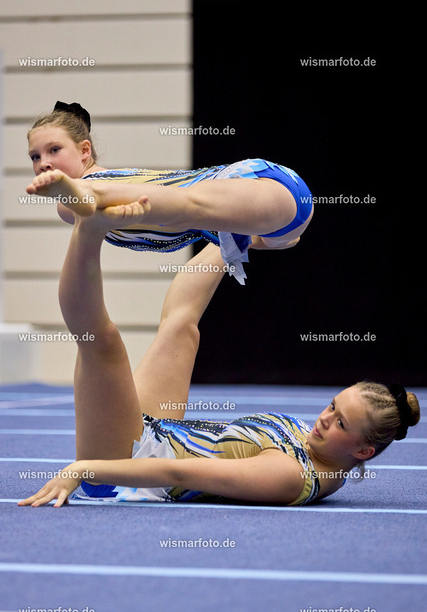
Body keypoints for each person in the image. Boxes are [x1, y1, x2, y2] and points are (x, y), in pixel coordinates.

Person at [18, 210, 420, 508]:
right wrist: (251, 231)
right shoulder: (322, 447)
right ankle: (238, 234)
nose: (325, 418)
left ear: (363, 452)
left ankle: (88, 227)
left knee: (102, 344)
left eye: (341, 422)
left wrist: (82, 469)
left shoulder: (290, 475)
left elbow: (178, 472)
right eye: (333, 406)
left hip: (126, 471)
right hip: (156, 436)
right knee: (182, 328)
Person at [26, 101, 314, 283]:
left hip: (254, 182)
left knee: (187, 207)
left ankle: (88, 194)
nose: (43, 163)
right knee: (257, 239)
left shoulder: (90, 188)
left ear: (84, 150)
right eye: (35, 157)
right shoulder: (75, 207)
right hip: (281, 223)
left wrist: (76, 193)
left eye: (54, 150)